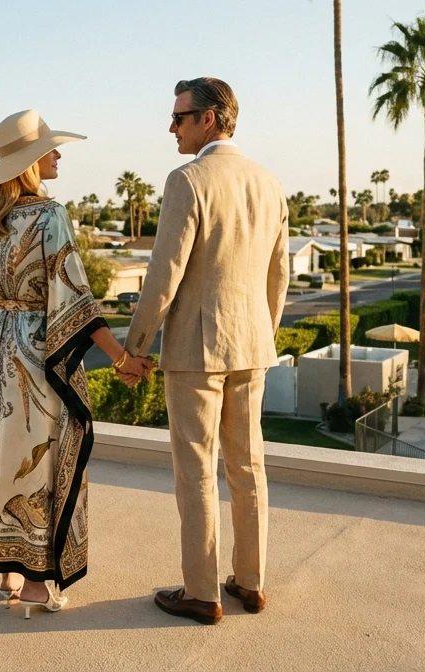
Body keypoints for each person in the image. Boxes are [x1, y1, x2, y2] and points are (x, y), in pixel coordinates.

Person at [121, 77, 289, 625]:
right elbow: (278, 274)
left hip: (196, 349)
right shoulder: (270, 183)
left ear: (210, 119)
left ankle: (201, 593)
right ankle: (251, 582)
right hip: (251, 346)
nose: (171, 127)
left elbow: (163, 275)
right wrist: (263, 331)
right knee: (249, 466)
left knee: (196, 471)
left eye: (179, 117)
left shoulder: (188, 180)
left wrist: (135, 347)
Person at [0, 109, 137, 619]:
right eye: (50, 150)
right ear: (30, 164)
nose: (58, 156)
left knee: (2, 455)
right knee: (42, 456)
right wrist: (120, 357)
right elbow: (73, 297)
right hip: (39, 349)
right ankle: (39, 584)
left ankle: (8, 567)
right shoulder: (48, 216)